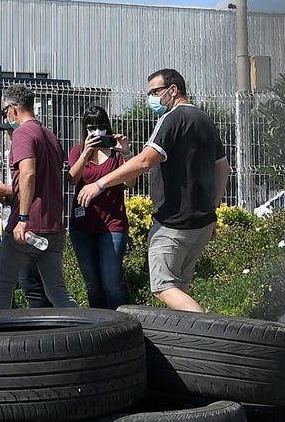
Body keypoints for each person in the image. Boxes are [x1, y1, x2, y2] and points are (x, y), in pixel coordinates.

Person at [79, 68, 226, 313]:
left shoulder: (172, 118)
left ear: (173, 90)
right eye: (149, 93)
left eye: (155, 92)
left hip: (174, 223)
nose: (151, 98)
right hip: (202, 223)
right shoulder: (204, 119)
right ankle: (187, 345)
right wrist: (213, 210)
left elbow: (146, 161)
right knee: (179, 287)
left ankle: (209, 333)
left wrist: (100, 184)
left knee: (163, 287)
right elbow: (223, 168)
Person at [0, 84, 74, 309]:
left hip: (27, 227)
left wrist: (23, 219)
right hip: (53, 227)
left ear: (13, 108)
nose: (6, 116)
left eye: (5, 111)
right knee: (57, 291)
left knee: (3, 287)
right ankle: (87, 332)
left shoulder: (23, 133)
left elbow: (28, 174)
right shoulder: (49, 135)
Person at [66, 104, 130, 308]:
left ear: (107, 126)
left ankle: (122, 323)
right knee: (93, 285)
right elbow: (73, 179)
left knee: (112, 283)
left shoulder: (116, 153)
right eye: (91, 127)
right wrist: (86, 153)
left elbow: (130, 182)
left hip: (112, 225)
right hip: (83, 226)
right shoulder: (78, 151)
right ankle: (99, 326)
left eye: (100, 126)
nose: (96, 131)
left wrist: (127, 154)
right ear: (85, 129)